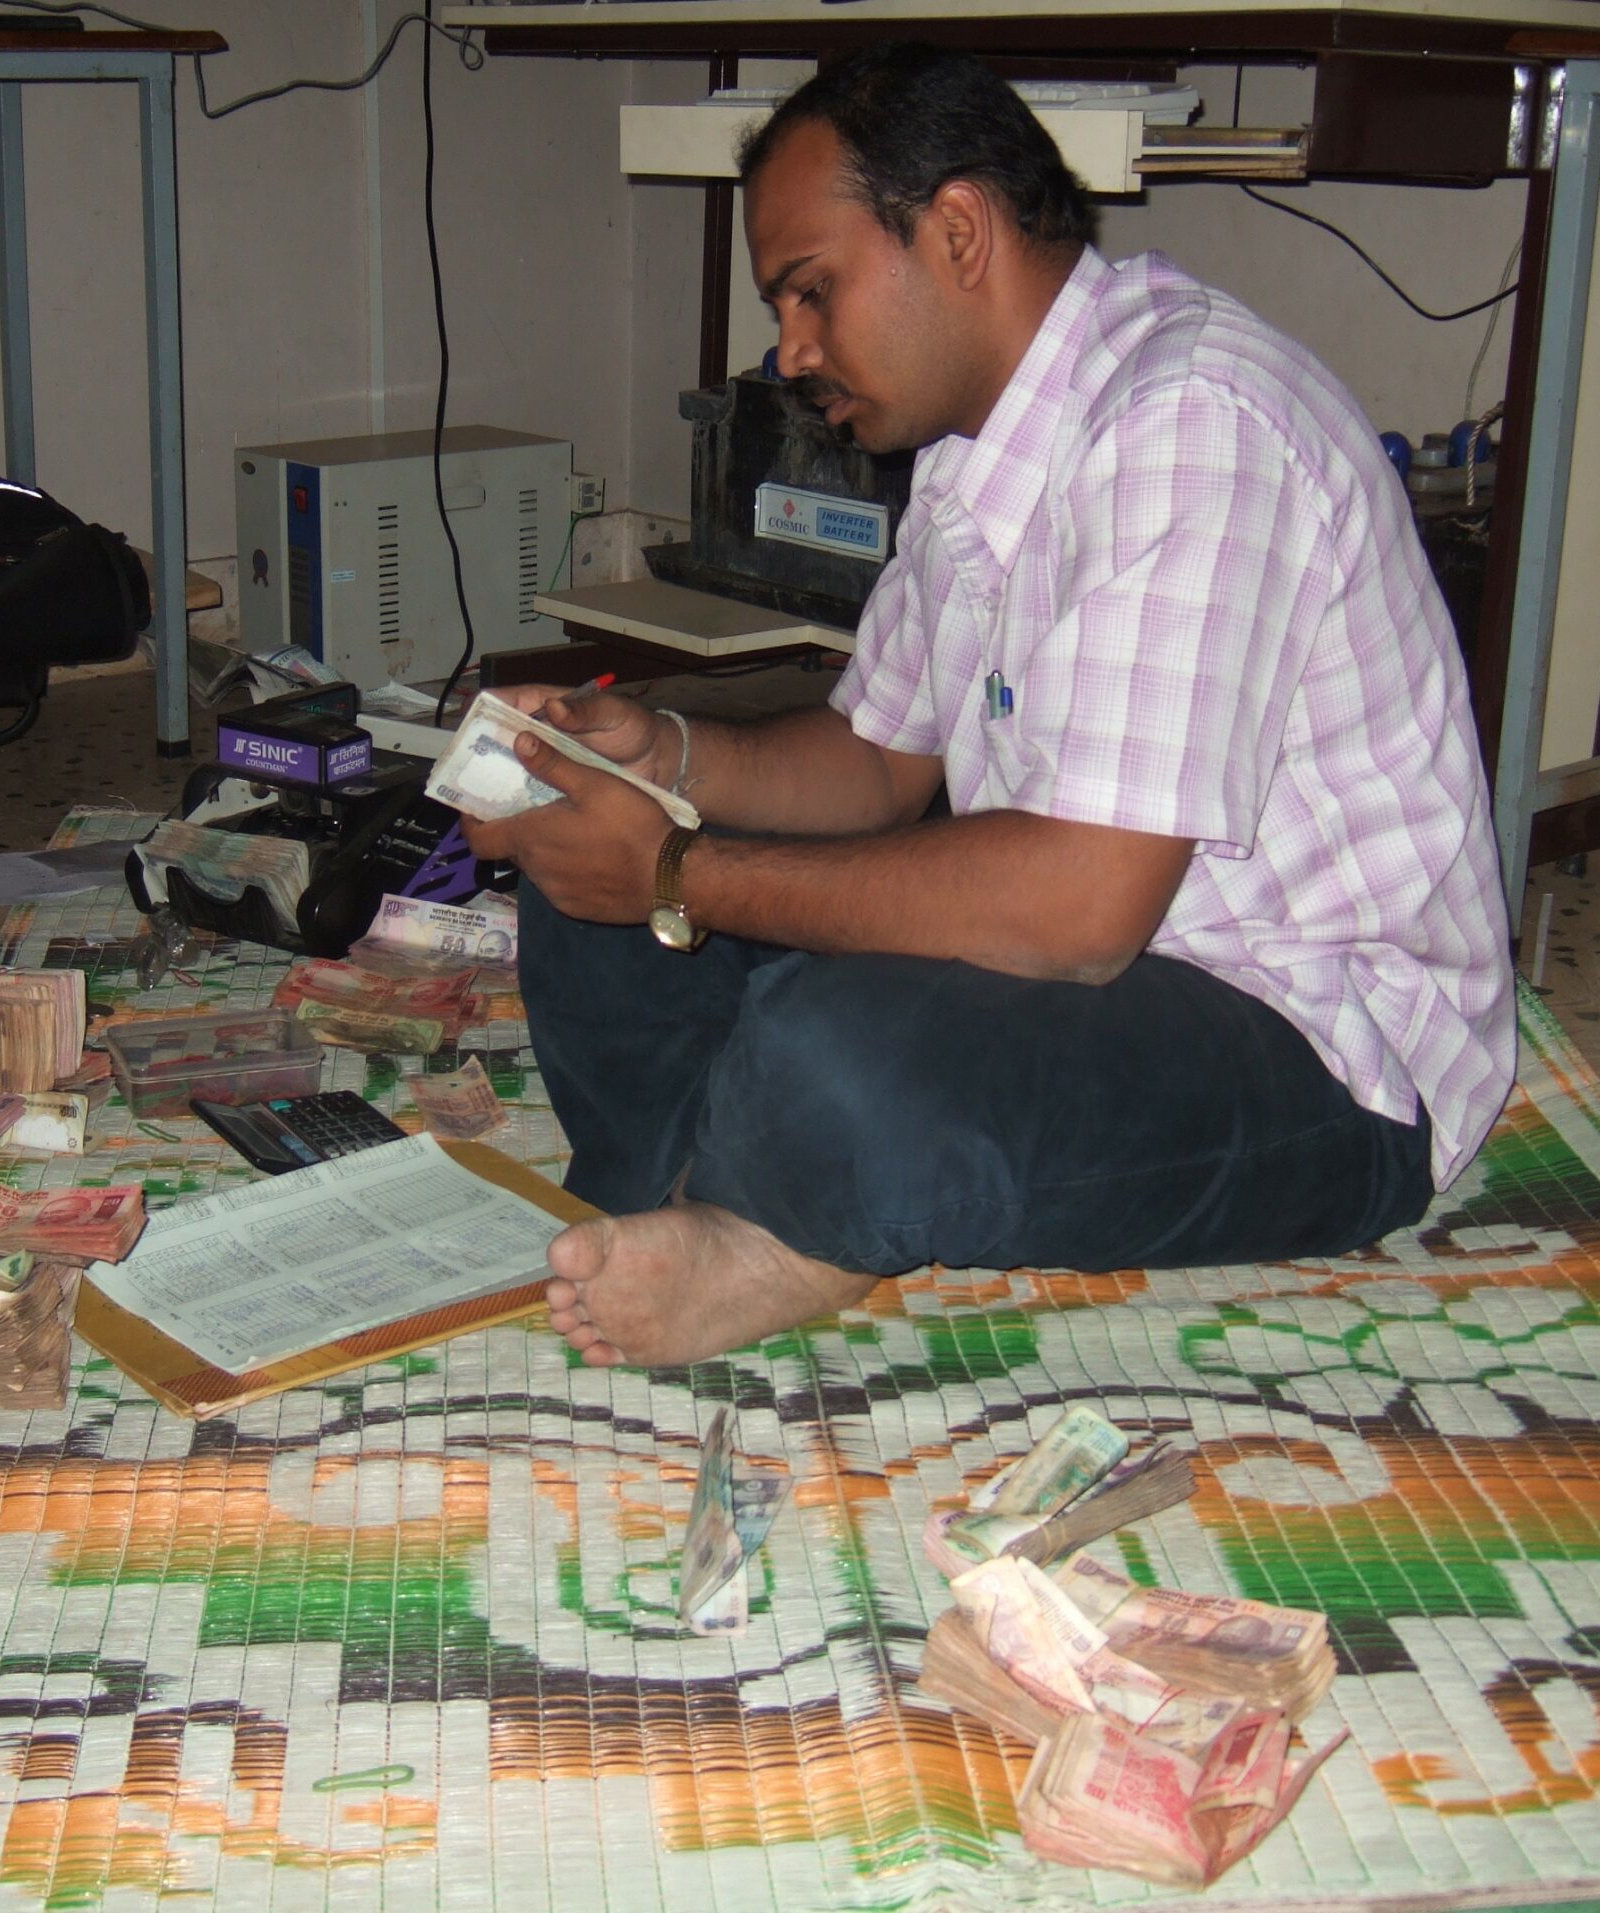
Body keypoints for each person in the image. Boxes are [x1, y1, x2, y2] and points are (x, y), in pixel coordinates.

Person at [461, 45, 1515, 1370]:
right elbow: (873, 764)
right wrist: (663, 759)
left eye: (811, 289)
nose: (790, 350)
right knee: (590, 863)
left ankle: (779, 1217)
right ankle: (710, 1196)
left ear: (956, 231)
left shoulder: (1192, 425)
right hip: (1078, 964)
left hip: (1315, 1052)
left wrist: (682, 870)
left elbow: (1077, 908)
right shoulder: (974, 450)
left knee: (834, 1046)